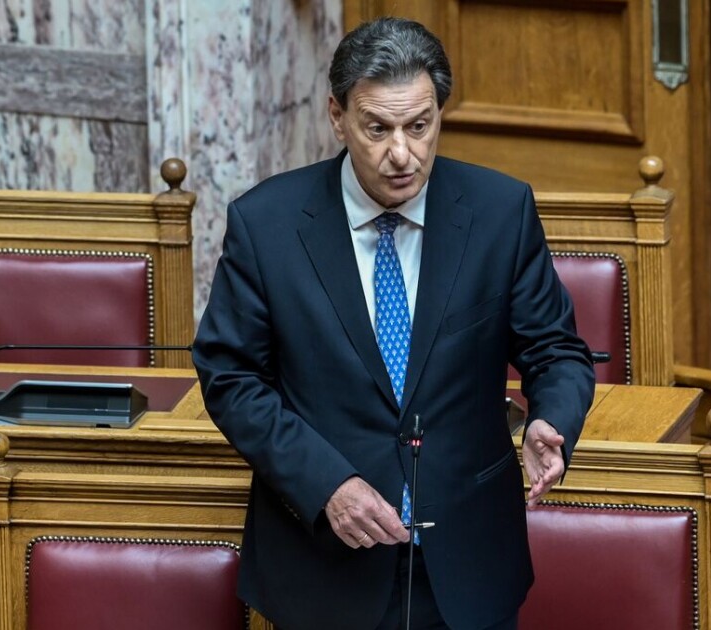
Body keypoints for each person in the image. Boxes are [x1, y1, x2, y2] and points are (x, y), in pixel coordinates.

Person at [193, 16, 594, 630]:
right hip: (323, 564)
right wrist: (327, 484)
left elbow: (556, 350)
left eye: (419, 126)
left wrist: (551, 418)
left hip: (469, 562)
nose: (401, 154)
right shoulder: (267, 224)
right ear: (337, 116)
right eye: (377, 128)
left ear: (439, 114)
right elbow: (231, 377)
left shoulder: (500, 212)